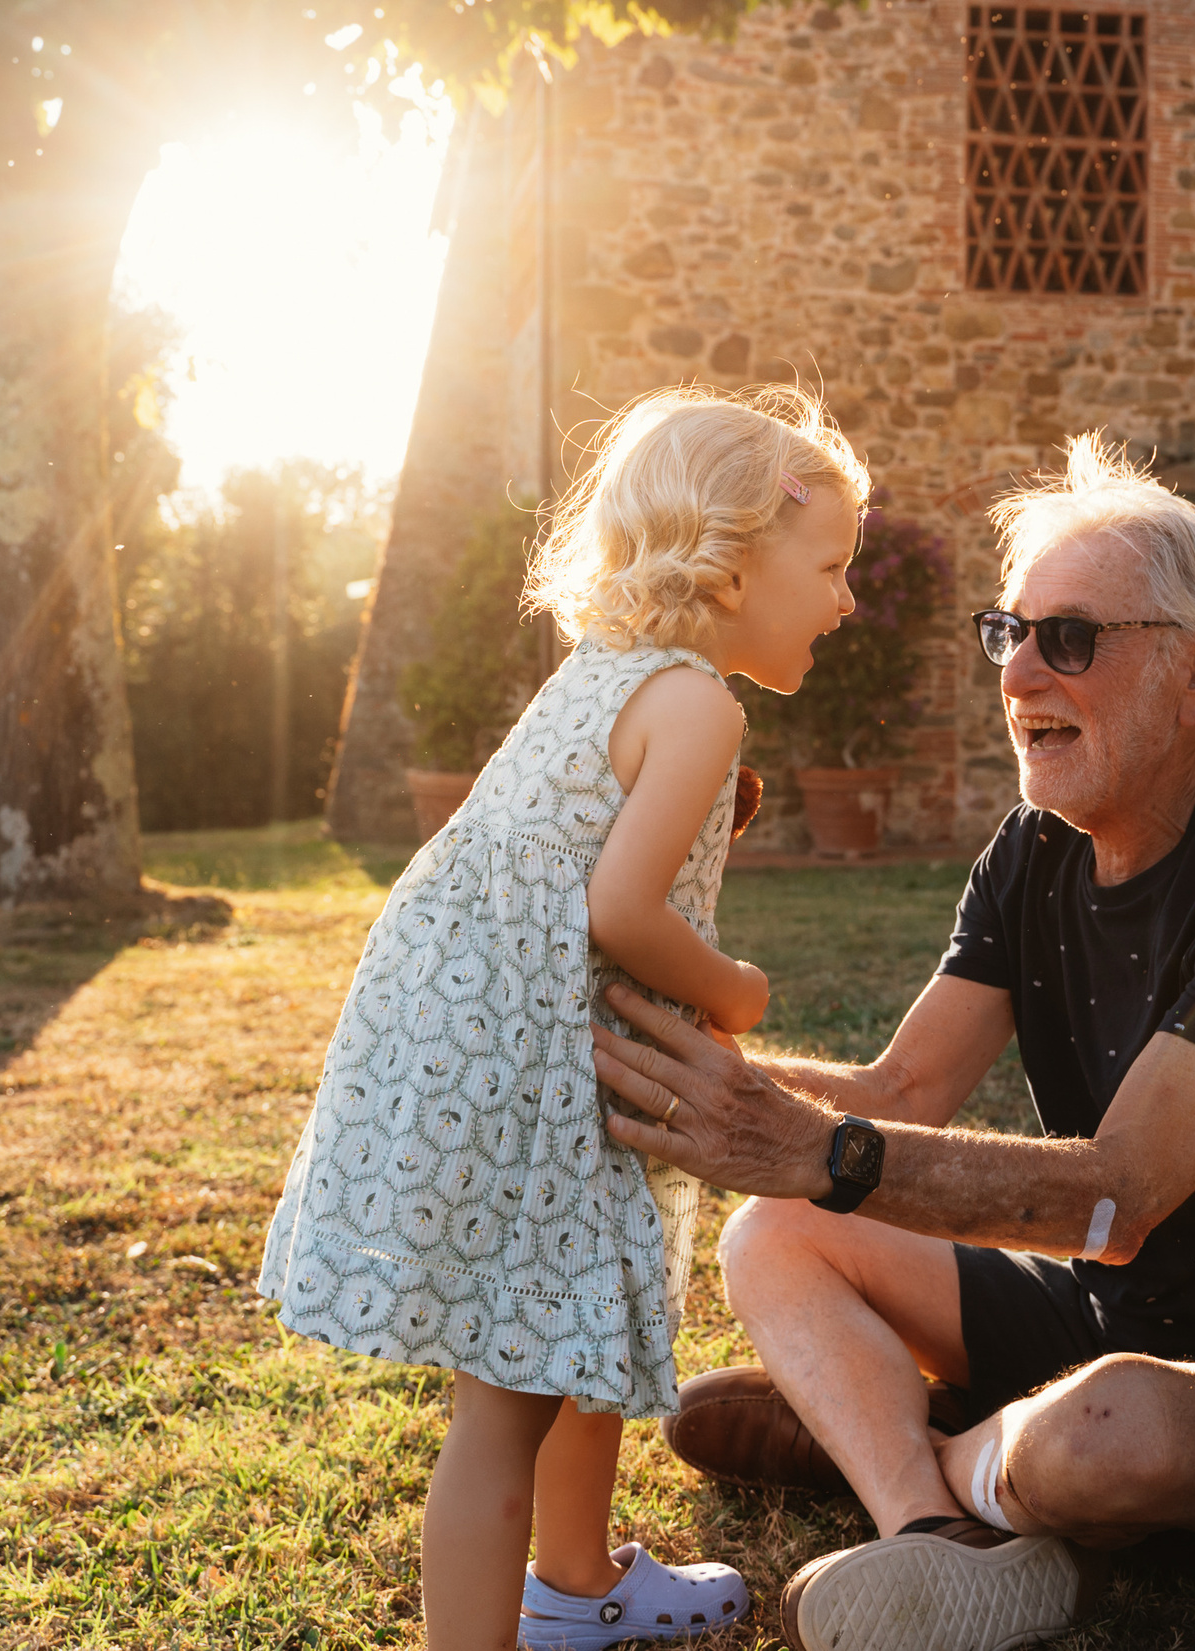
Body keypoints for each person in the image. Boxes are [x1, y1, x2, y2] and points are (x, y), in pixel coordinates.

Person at [588, 434, 1195, 1651]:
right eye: (1012, 634)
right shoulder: (1034, 846)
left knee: (1117, 1437)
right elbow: (903, 1092)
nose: (1023, 676)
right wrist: (636, 1060)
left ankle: (914, 1438)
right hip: (1113, 1315)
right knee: (775, 1228)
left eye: (1073, 640)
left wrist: (812, 1145)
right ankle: (935, 1529)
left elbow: (1121, 1195)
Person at [256, 386, 872, 1651]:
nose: (847, 598)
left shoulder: (605, 676)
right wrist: (733, 989)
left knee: (584, 1317)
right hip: (536, 1067)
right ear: (733, 561)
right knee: (505, 1405)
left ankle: (578, 1584)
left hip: (508, 1041)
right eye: (831, 565)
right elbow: (619, 909)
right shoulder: (699, 703)